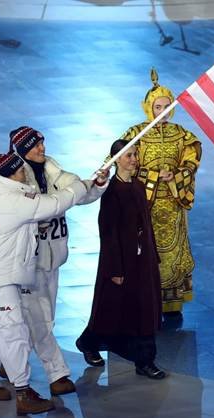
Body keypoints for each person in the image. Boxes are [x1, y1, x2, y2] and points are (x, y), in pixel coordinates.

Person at [0, 152, 89, 415]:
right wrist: (81, 186)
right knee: (13, 333)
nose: (25, 172)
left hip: (0, 276)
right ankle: (23, 394)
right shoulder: (12, 200)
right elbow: (55, 203)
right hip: (1, 278)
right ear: (12, 174)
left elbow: (23, 222)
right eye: (20, 170)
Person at [0, 126, 108, 396]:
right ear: (23, 150)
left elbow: (79, 194)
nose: (42, 148)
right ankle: (57, 374)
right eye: (36, 145)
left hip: (52, 258)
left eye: (42, 143)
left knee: (39, 316)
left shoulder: (53, 170)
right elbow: (23, 212)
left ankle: (8, 362)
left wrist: (97, 184)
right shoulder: (14, 181)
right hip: (26, 262)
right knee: (40, 318)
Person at [76, 139, 167, 379]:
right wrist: (115, 268)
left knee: (143, 309)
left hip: (142, 260)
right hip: (122, 261)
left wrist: (152, 255)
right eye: (129, 156)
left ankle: (145, 360)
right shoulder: (112, 191)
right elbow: (108, 231)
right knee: (112, 309)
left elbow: (145, 224)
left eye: (135, 154)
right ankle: (89, 342)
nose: (134, 159)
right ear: (116, 160)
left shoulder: (138, 186)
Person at [120, 68, 201, 319]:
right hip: (146, 206)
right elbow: (122, 161)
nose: (163, 112)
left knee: (173, 253)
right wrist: (154, 176)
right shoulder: (136, 134)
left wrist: (177, 174)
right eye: (158, 107)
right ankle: (145, 298)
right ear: (149, 108)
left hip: (173, 205)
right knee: (146, 250)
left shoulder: (181, 135)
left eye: (167, 107)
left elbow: (192, 159)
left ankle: (172, 303)